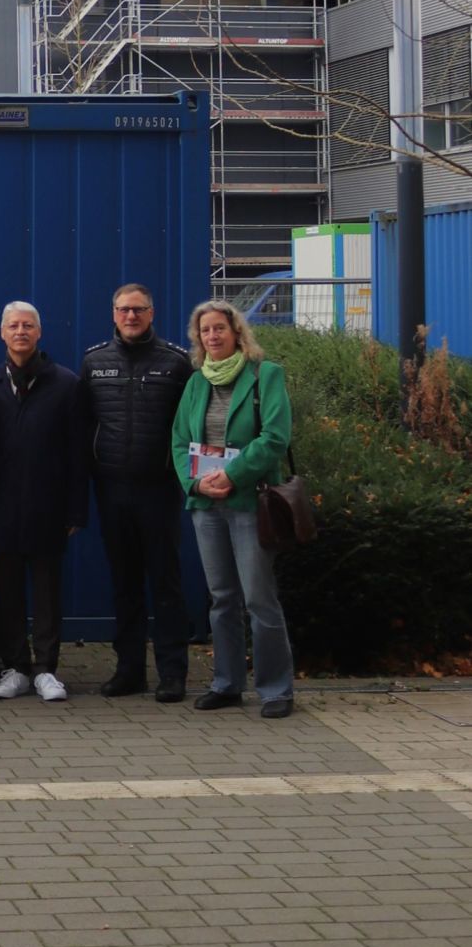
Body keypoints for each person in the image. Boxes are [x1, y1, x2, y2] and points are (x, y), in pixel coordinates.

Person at [173, 300, 296, 718]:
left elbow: (275, 437)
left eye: (219, 329)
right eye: (204, 331)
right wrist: (195, 482)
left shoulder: (266, 375)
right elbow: (177, 441)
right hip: (205, 505)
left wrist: (232, 475)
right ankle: (226, 684)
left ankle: (276, 689)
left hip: (249, 502)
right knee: (222, 598)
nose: (212, 336)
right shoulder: (195, 384)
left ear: (236, 332)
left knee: (260, 599)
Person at [76, 283, 195, 703]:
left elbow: (191, 427)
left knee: (166, 584)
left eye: (139, 310)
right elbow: (83, 424)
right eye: (124, 310)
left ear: (152, 312)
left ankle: (172, 672)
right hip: (111, 489)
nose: (131, 317)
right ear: (113, 314)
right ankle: (129, 671)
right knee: (124, 584)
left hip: (159, 491)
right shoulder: (94, 362)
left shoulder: (178, 363)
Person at [0, 304, 87, 705]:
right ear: (2, 333)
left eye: (28, 325)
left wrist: (76, 509)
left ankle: (46, 669)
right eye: (13, 325)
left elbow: (78, 454)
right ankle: (16, 668)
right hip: (0, 508)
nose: (20, 331)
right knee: (7, 593)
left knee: (46, 594)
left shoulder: (66, 384)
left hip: (49, 507)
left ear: (39, 333)